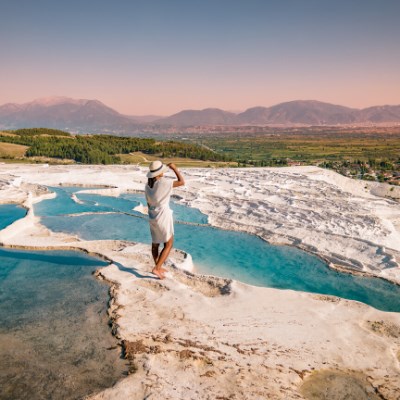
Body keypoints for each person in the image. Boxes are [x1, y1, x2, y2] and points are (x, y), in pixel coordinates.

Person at [145, 161, 185, 279]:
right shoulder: (164, 182)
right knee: (168, 243)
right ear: (160, 172)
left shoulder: (148, 186)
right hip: (163, 215)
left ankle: (158, 266)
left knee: (155, 243)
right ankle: (157, 268)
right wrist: (175, 168)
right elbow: (182, 182)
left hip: (152, 215)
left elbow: (148, 203)